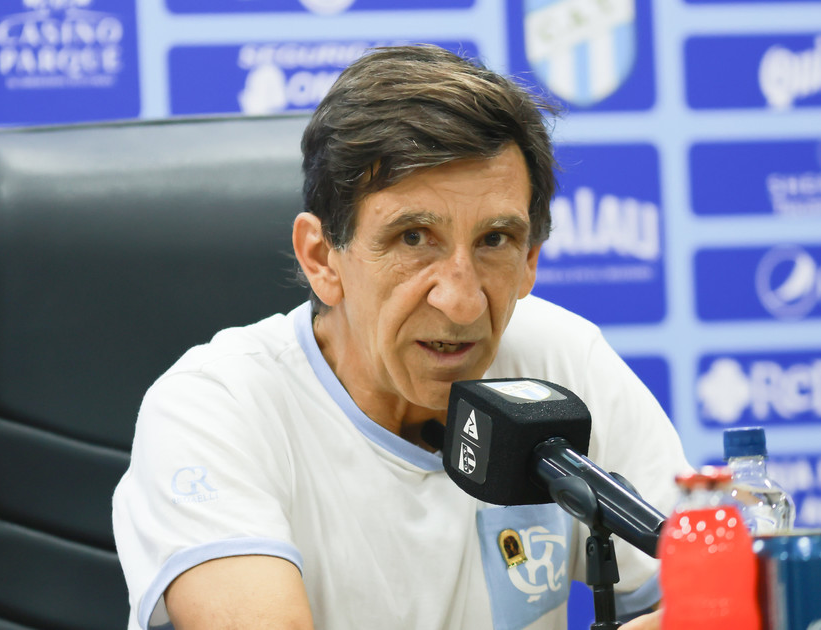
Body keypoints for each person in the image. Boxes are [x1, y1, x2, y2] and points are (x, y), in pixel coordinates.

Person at [112, 45, 689, 630]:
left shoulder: (561, 361)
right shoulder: (213, 406)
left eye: (495, 240)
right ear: (322, 258)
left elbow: (714, 592)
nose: (462, 302)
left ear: (531, 261)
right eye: (413, 238)